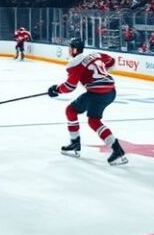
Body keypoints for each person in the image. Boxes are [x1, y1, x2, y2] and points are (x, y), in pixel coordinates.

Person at [47, 38, 127, 166]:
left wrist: (56, 89)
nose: (68, 51)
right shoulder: (95, 55)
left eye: (70, 48)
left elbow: (70, 86)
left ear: (74, 50)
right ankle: (117, 150)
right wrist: (101, 72)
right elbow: (111, 61)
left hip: (97, 93)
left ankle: (75, 144)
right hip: (111, 91)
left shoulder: (76, 62)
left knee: (70, 110)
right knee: (94, 121)